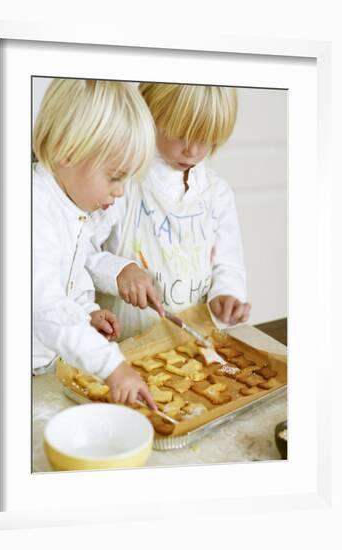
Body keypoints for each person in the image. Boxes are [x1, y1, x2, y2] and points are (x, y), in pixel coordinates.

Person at [86, 83, 251, 340]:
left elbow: (229, 266)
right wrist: (118, 271)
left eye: (205, 137)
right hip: (124, 346)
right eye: (181, 133)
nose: (192, 150)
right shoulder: (122, 184)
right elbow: (79, 253)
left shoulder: (217, 193)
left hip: (194, 347)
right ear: (150, 114)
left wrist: (226, 295)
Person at [32, 78, 158, 408]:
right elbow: (44, 307)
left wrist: (86, 312)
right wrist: (112, 366)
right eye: (115, 176)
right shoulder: (32, 209)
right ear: (66, 151)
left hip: (52, 365)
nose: (120, 191)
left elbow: (75, 263)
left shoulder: (70, 201)